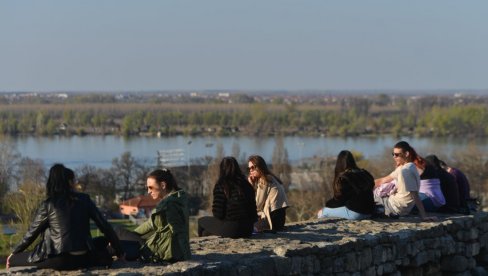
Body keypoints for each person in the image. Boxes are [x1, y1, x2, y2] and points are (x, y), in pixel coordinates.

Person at [7, 164, 123, 271]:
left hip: (60, 260)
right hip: (85, 258)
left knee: (16, 260)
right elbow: (105, 226)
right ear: (68, 182)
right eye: (73, 180)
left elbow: (32, 233)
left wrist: (14, 252)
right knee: (101, 241)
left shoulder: (49, 204)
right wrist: (120, 252)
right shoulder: (85, 199)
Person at [115, 169, 191, 263]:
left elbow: (179, 231)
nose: (148, 192)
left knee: (117, 231)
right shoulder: (177, 198)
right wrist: (131, 236)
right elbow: (150, 224)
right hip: (163, 246)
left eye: (150, 188)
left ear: (163, 185)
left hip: (161, 251)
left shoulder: (169, 205)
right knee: (120, 236)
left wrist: (185, 257)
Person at [374, 141, 436, 221]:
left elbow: (415, 195)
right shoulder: (409, 167)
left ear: (406, 154)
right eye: (393, 154)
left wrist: (424, 216)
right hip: (399, 207)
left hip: (394, 207)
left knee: (368, 197)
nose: (394, 157)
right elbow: (383, 180)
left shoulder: (406, 171)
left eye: (397, 155)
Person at [198, 157, 258, 238]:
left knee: (201, 221)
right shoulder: (247, 185)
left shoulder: (222, 185)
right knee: (206, 233)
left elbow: (218, 214)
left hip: (232, 228)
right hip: (248, 230)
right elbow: (253, 214)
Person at [317, 150, 375, 220]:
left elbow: (339, 200)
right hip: (370, 212)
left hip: (356, 213)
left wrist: (327, 205)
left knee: (322, 212)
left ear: (339, 163)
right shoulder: (365, 173)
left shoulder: (345, 178)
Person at [247, 155, 289, 232]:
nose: (250, 170)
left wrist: (251, 187)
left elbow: (257, 205)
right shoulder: (271, 178)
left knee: (247, 225)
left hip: (272, 221)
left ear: (259, 167)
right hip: (279, 220)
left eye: (253, 167)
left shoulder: (264, 180)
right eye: (249, 168)